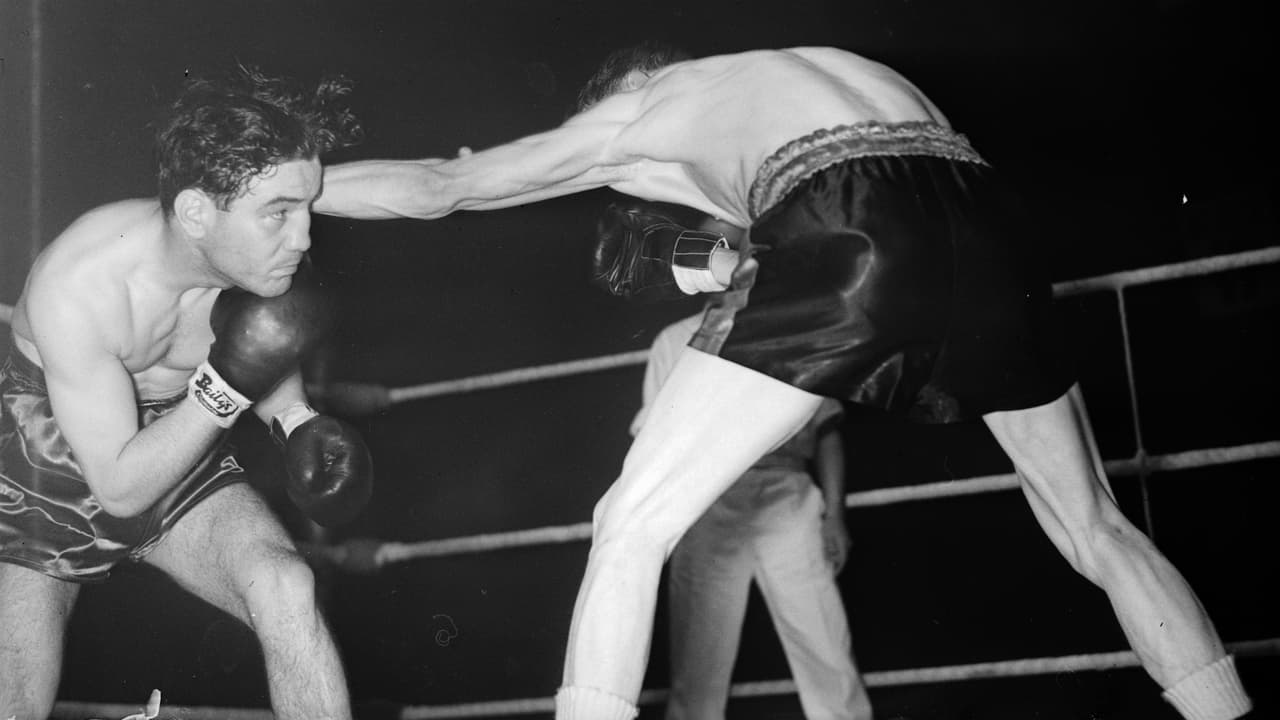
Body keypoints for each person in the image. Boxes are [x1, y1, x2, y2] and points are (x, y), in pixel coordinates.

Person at [313, 44, 1253, 720]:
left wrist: (291, 190)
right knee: (1096, 528)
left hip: (854, 222)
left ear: (622, 91)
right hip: (987, 222)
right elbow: (751, 246)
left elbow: (440, 186)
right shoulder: (816, 72)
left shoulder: (643, 108)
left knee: (630, 523)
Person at [0, 66, 371, 720]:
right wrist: (225, 387)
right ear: (197, 211)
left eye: (307, 208)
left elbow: (260, 340)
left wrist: (295, 417)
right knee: (16, 690)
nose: (304, 237)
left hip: (176, 433)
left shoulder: (260, 257)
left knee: (286, 585)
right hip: (45, 457)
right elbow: (119, 489)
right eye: (279, 213)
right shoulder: (80, 285)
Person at [638, 300, 872, 720]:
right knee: (697, 666)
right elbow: (650, 446)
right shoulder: (674, 341)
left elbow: (828, 432)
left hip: (788, 496)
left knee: (826, 648)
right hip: (707, 501)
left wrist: (835, 514)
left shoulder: (795, 329)